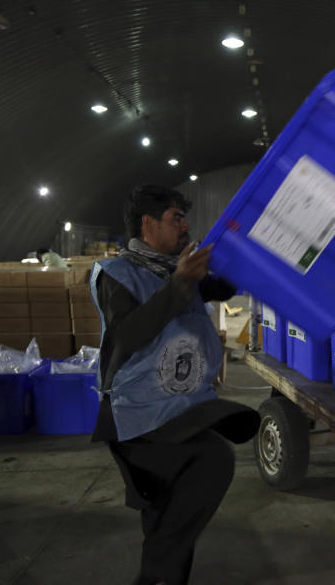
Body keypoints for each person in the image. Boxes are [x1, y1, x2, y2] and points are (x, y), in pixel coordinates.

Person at [90, 184, 259, 585]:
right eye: (175, 218)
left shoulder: (177, 267)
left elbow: (226, 286)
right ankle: (155, 578)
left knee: (166, 503)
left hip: (183, 407)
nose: (185, 226)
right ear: (148, 224)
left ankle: (165, 578)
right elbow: (129, 335)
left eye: (184, 218)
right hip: (139, 414)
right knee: (212, 460)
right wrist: (181, 283)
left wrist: (240, 249)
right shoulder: (115, 274)